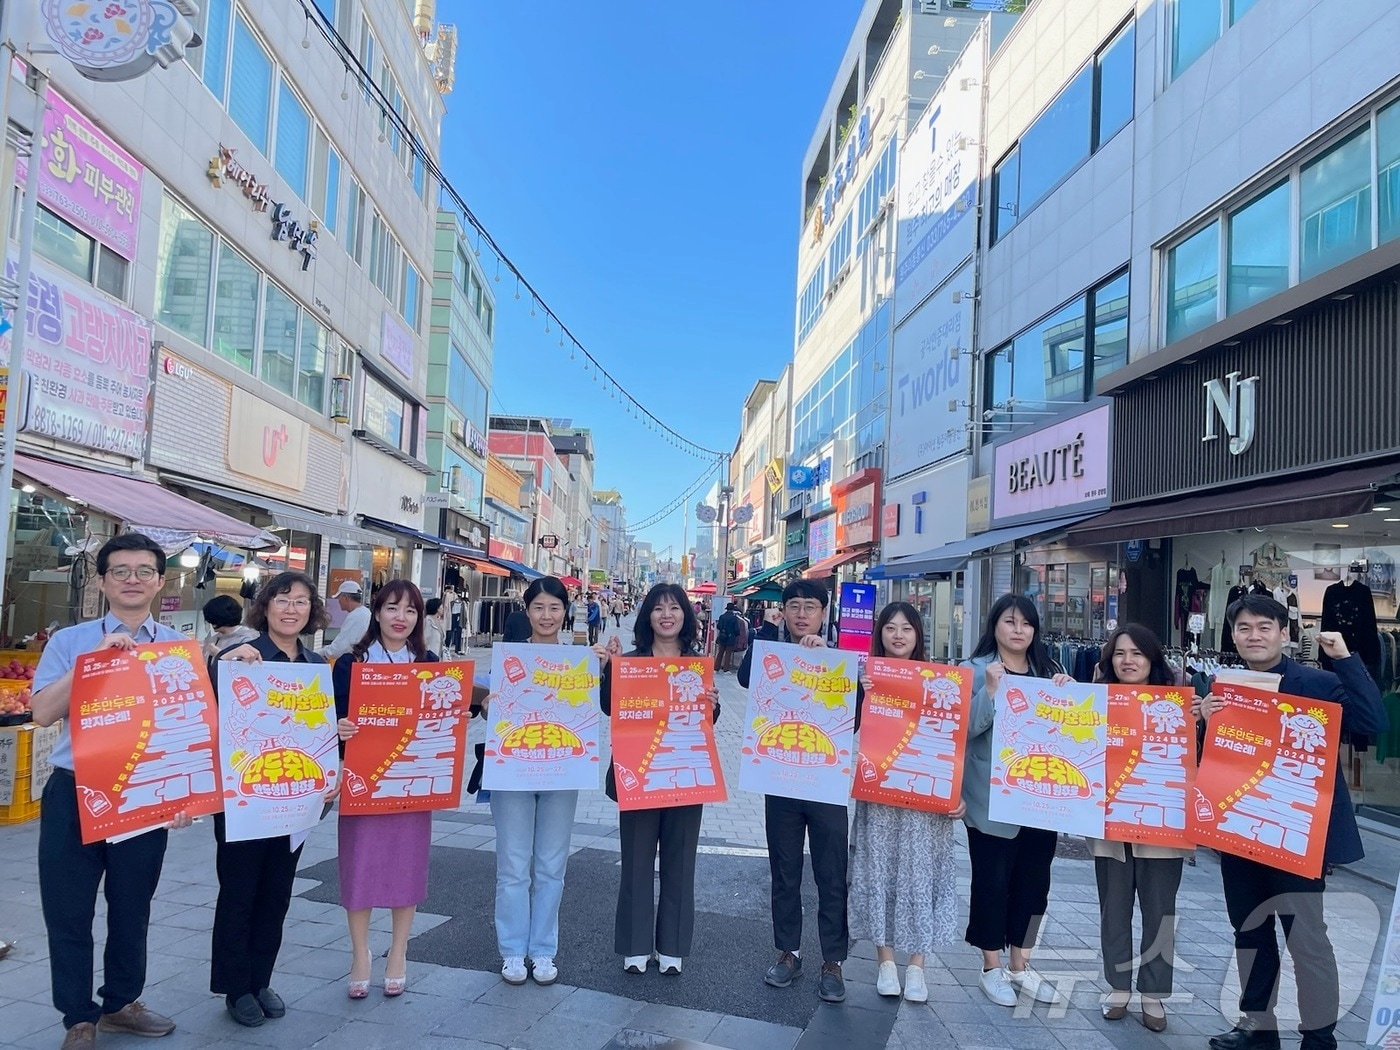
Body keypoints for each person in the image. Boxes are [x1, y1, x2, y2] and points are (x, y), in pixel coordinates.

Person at [1197, 595, 1386, 1050]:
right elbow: (1217, 761)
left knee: (1307, 939)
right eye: (1244, 628)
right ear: (1233, 636)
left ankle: (1319, 1035)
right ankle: (1256, 1027)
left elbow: (1372, 721)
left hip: (1297, 831)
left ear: (1284, 632)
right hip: (1239, 829)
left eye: (1265, 627)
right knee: (1249, 931)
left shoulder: (1316, 682)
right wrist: (1203, 722)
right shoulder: (1223, 686)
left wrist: (1345, 659)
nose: (1254, 636)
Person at [32, 534, 194, 1049]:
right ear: (101, 581)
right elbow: (41, 714)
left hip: (145, 796)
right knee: (68, 908)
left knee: (132, 907)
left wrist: (182, 796)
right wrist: (93, 663)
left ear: (161, 581)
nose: (132, 579)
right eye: (120, 571)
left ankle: (122, 1001)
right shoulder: (70, 642)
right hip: (74, 790)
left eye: (144, 571)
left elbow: (186, 727)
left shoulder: (174, 647)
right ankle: (78, 1016)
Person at [211, 572, 335, 1028]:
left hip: (292, 798)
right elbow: (211, 709)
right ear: (265, 607)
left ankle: (260, 979)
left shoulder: (316, 664)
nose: (291, 608)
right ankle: (235, 987)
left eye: (301, 602)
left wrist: (333, 743)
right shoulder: (243, 656)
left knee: (276, 894)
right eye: (283, 599)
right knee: (239, 892)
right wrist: (222, 663)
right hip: (244, 798)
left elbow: (319, 728)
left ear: (311, 612)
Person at [486, 576, 612, 987]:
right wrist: (489, 704)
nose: (546, 615)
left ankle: (543, 951)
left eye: (554, 608)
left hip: (561, 771)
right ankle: (511, 952)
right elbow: (489, 712)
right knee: (513, 866)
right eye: (538, 607)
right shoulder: (508, 658)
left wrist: (603, 669)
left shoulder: (579, 661)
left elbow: (597, 709)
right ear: (528, 612)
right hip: (513, 772)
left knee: (552, 866)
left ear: (565, 612)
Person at [737, 579, 850, 1004]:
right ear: (782, 611)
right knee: (785, 871)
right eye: (794, 607)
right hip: (780, 781)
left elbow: (852, 721)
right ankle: (789, 952)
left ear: (824, 612)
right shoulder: (770, 654)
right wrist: (767, 634)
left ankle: (833, 960)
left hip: (825, 783)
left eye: (810, 607)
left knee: (831, 873)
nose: (802, 614)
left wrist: (833, 670)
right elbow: (746, 677)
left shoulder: (840, 659)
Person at [600, 583, 720, 975]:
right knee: (635, 860)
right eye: (658, 609)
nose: (666, 615)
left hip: (685, 772)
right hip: (639, 773)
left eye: (674, 608)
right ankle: (635, 945)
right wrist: (609, 671)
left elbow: (705, 724)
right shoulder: (632, 661)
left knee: (680, 861)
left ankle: (672, 947)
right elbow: (608, 708)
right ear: (647, 616)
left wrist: (712, 706)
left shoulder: (696, 663)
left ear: (686, 616)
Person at [849, 602, 962, 1005]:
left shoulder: (943, 682)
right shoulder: (865, 679)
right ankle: (885, 962)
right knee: (878, 871)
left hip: (925, 798)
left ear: (918, 636)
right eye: (891, 628)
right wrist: (861, 698)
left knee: (922, 877)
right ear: (879, 634)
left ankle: (917, 967)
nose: (898, 636)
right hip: (879, 793)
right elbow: (846, 727)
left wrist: (956, 794)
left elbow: (956, 740)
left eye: (907, 629)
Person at [963, 594, 1073, 1008]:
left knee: (1033, 884)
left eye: (1026, 623)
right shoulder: (974, 671)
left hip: (1041, 799)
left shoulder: (1050, 672)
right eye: (1010, 622)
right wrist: (990, 692)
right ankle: (991, 966)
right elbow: (964, 731)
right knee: (992, 883)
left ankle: (1020, 965)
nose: (1018, 630)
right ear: (995, 626)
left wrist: (1071, 696)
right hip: (991, 800)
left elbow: (1069, 730)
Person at [333, 581, 436, 1000]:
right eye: (392, 608)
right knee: (359, 865)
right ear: (376, 613)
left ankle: (399, 951)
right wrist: (338, 729)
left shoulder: (428, 663)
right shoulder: (351, 663)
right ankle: (360, 954)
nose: (400, 617)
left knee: (406, 864)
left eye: (410, 611)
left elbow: (441, 720)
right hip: (363, 782)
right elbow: (330, 717)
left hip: (411, 781)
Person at [1088, 624, 1189, 1033]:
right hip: (1110, 824)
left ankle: (1153, 993)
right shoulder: (1094, 701)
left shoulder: (1178, 704)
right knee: (1113, 911)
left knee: (1159, 913)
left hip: (1162, 827)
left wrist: (1202, 717)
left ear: (1152, 659)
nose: (1127, 661)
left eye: (1137, 654)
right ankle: (1117, 988)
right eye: (1119, 654)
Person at [318, 580, 370, 660]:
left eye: (339, 598)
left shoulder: (356, 616)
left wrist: (320, 654)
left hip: (353, 660)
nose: (338, 601)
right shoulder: (364, 612)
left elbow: (342, 645)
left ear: (346, 597)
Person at [201, 593, 258, 661]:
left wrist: (219, 654)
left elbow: (246, 665)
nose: (210, 623)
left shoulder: (248, 639)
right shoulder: (215, 638)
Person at [714, 602, 743, 673]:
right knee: (728, 653)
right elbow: (736, 629)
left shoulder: (721, 617)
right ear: (733, 609)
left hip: (722, 637)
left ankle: (716, 668)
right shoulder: (734, 618)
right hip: (730, 638)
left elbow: (718, 626)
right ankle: (725, 669)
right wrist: (735, 634)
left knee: (720, 652)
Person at [447, 587, 466, 654]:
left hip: (459, 617)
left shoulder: (463, 604)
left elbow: (464, 614)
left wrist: (464, 622)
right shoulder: (451, 603)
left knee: (458, 633)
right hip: (452, 616)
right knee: (450, 632)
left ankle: (457, 648)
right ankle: (447, 646)